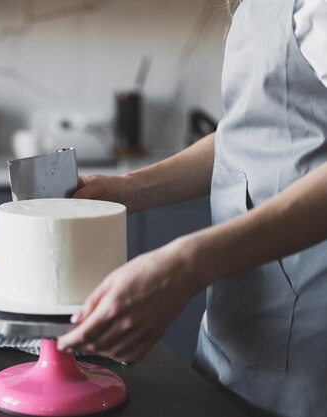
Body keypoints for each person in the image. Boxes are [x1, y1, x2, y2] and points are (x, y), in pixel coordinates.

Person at [57, 1, 327, 416]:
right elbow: (252, 132)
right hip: (236, 338)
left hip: (308, 352)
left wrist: (188, 264)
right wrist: (129, 189)